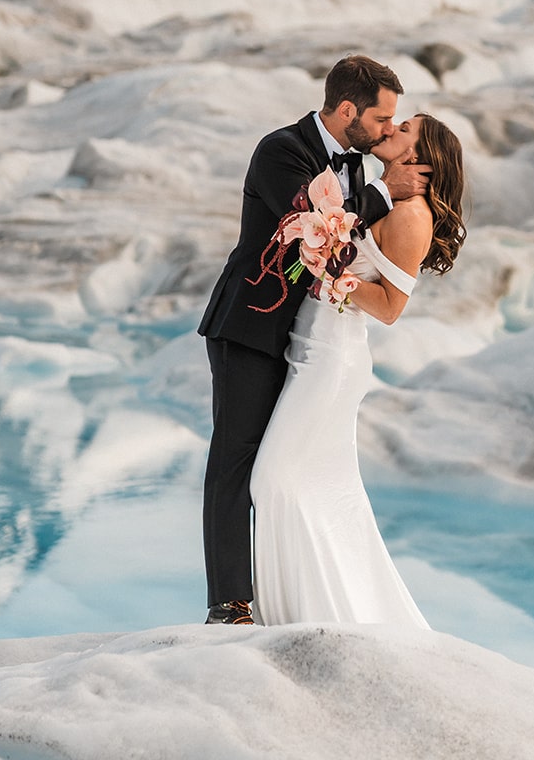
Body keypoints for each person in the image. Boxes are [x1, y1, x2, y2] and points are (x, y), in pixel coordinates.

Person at [198, 55, 430, 626]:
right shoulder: (282, 151)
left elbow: (345, 258)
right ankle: (231, 604)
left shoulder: (360, 165)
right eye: (382, 119)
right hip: (251, 328)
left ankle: (295, 595)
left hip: (309, 341)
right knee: (237, 461)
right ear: (347, 109)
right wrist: (382, 192)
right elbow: (310, 220)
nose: (385, 130)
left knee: (291, 470)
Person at [250, 112, 465, 627]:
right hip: (311, 344)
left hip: (333, 358)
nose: (391, 129)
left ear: (422, 157)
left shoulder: (412, 214)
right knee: (317, 485)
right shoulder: (385, 195)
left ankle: (304, 617)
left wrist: (328, 273)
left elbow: (391, 306)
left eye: (405, 128)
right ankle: (327, 613)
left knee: (273, 479)